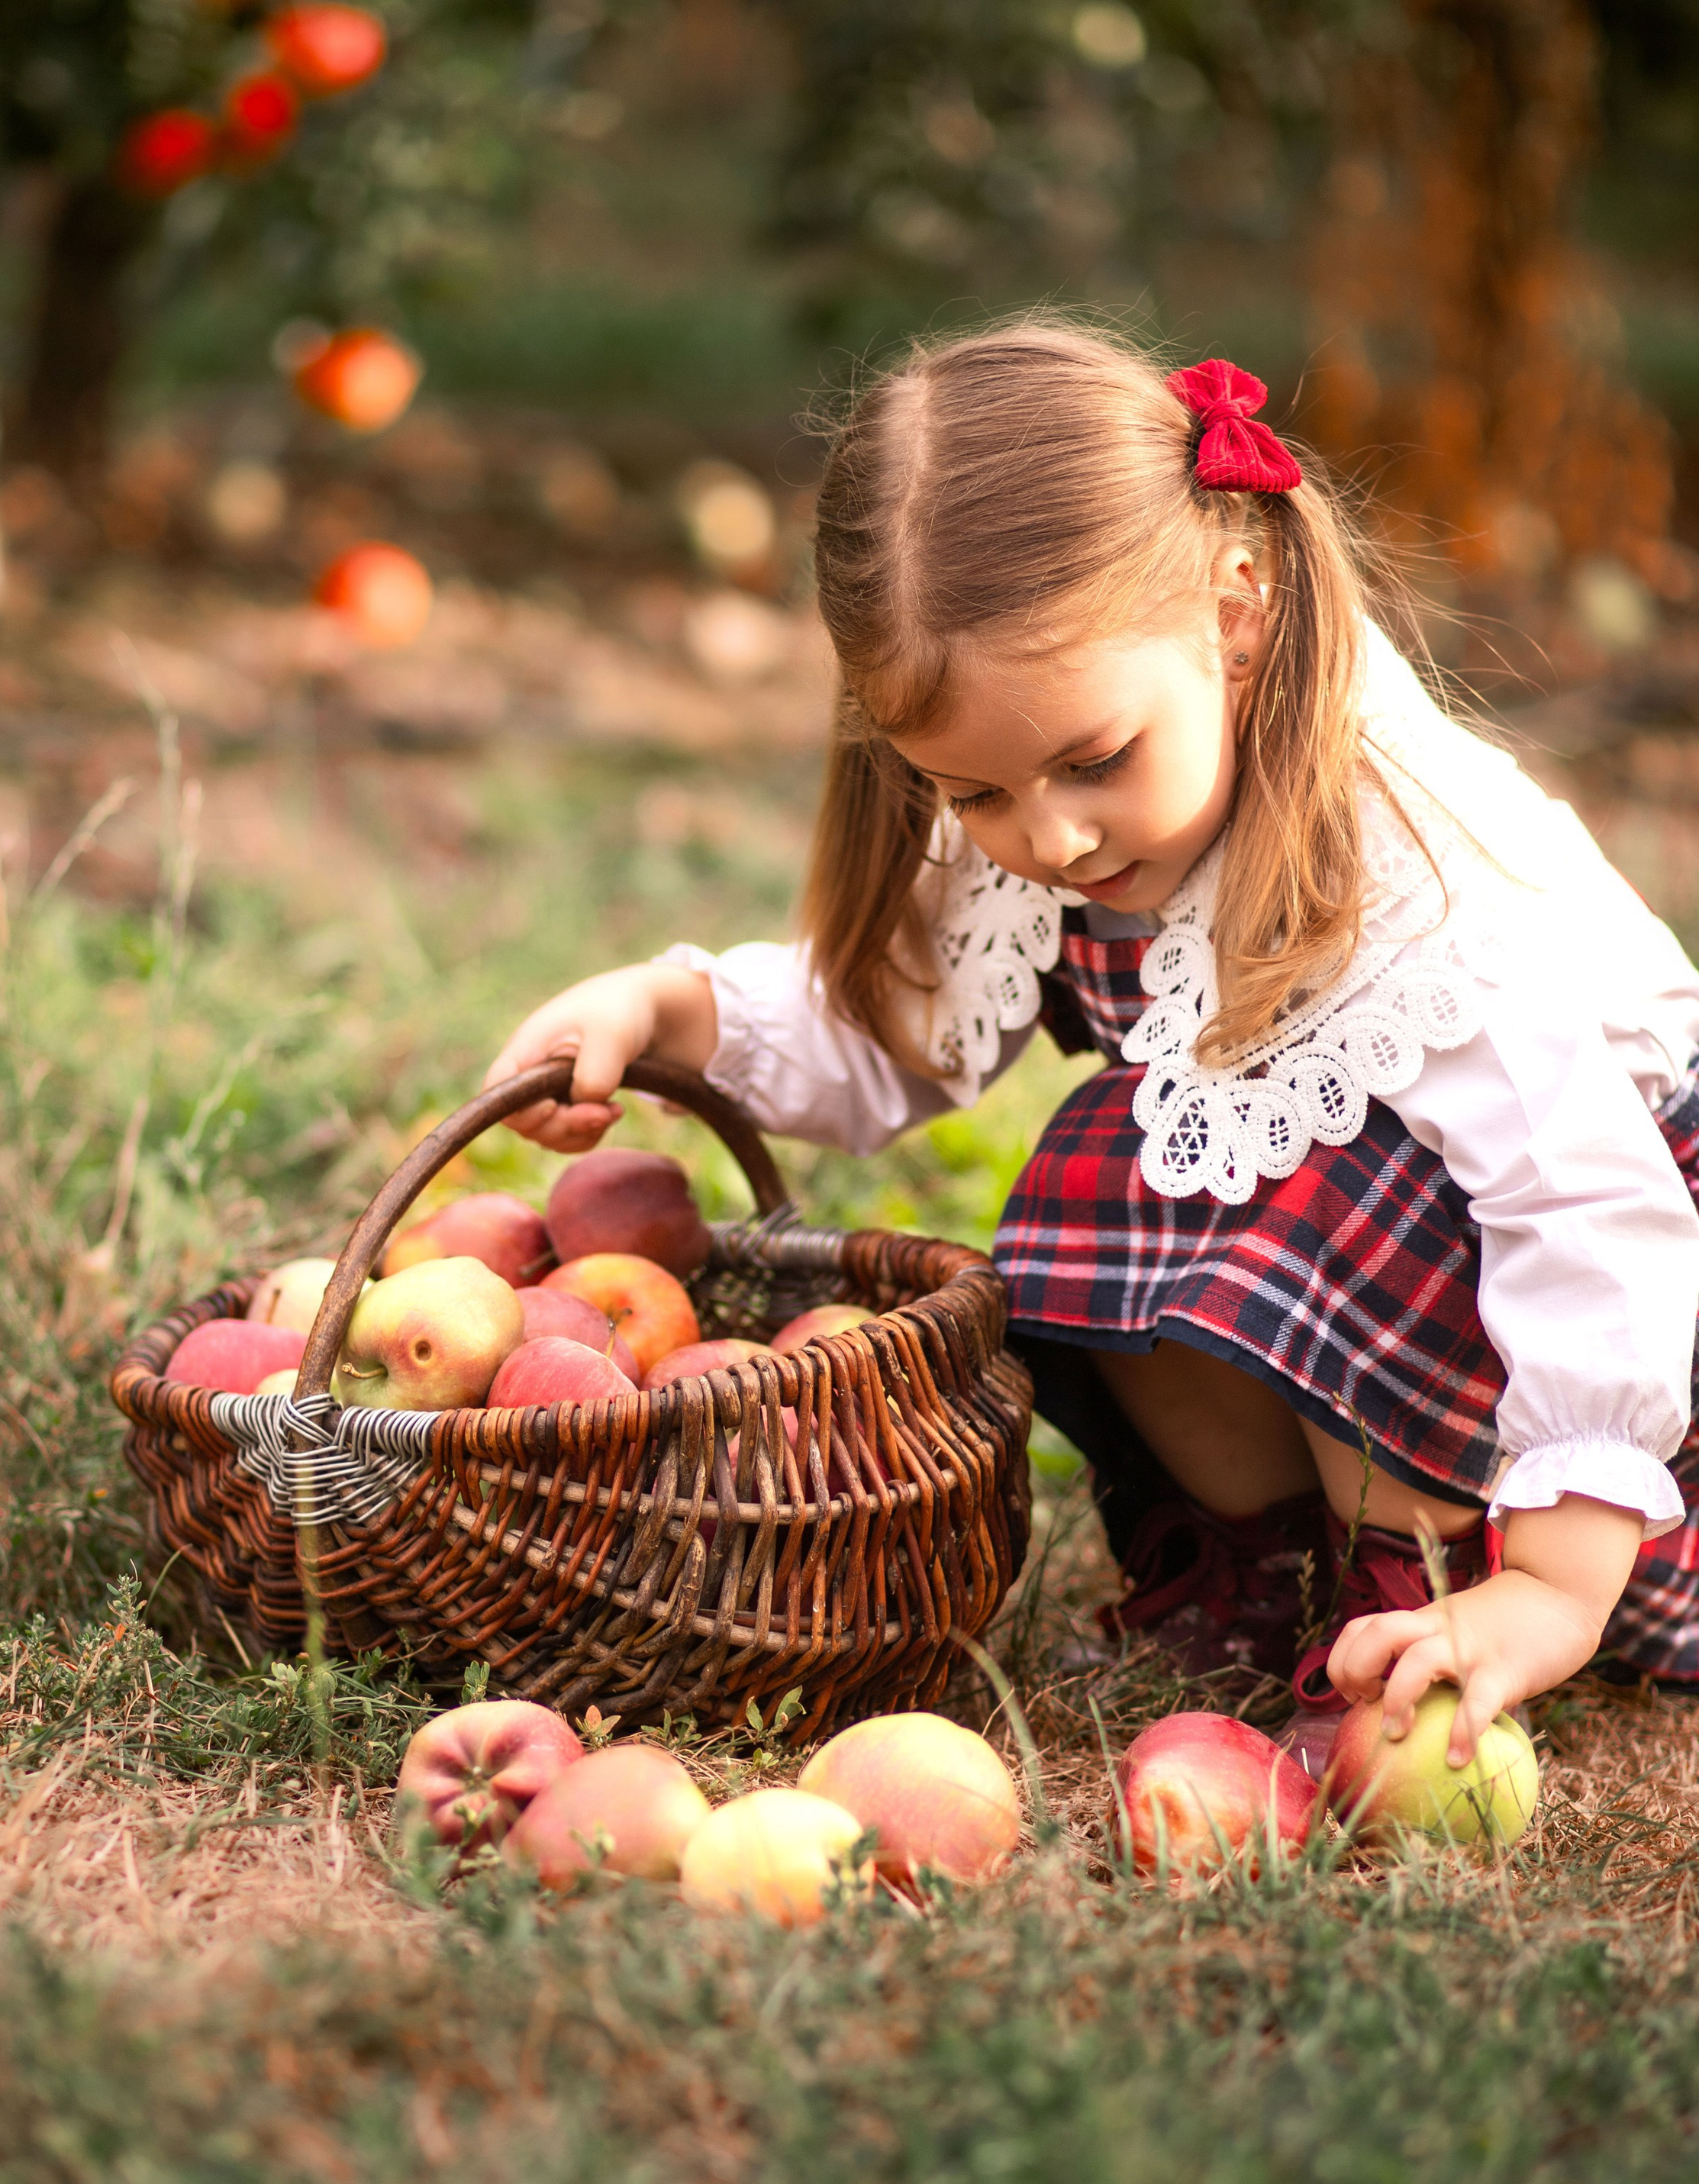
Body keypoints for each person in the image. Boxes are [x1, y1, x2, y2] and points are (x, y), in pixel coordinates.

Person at [485, 318, 1699, 1764]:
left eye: (1093, 763)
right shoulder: (1049, 800)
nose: (1046, 837)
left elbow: (1591, 1220)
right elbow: (894, 1024)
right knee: (1115, 1171)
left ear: (1236, 603)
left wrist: (1554, 1588)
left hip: (1610, 1401)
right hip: (1475, 1356)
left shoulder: (1425, 881)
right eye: (976, 793)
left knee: (1307, 1185)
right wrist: (664, 1011)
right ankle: (1263, 1573)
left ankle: (1426, 1595)